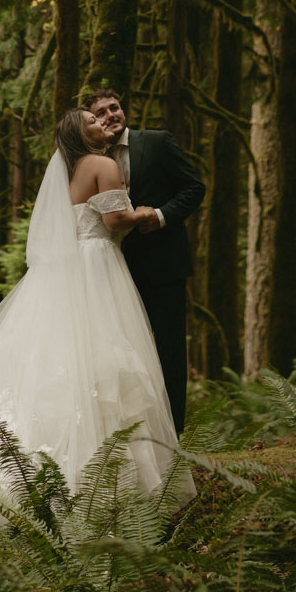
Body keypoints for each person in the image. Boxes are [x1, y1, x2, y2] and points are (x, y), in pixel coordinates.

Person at [0, 106, 191, 510]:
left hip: (71, 267)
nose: (101, 123)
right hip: (98, 265)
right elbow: (117, 219)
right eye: (92, 121)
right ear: (80, 133)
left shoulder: (67, 173)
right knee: (104, 356)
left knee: (64, 358)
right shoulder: (102, 164)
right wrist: (147, 213)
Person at [86, 90, 205, 433]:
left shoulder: (156, 142)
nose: (111, 115)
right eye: (101, 112)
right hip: (111, 272)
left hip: (163, 266)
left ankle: (175, 436)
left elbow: (194, 187)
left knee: (169, 351)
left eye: (115, 107)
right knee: (121, 356)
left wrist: (162, 214)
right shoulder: (88, 159)